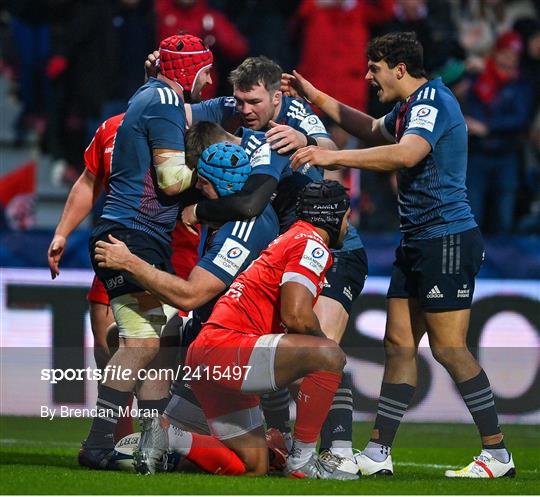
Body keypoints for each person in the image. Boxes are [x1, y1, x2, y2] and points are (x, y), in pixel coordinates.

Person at [287, 31, 515, 479]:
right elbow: (372, 129)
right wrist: (316, 97)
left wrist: (336, 157)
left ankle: (497, 454)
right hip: (417, 240)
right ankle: (377, 452)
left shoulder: (432, 102)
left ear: (399, 68)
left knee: (449, 348)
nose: (368, 77)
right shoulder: (412, 107)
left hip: (445, 239)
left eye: (374, 68)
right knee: (399, 345)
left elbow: (407, 154)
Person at [177, 56, 368, 471]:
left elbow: (334, 152)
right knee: (280, 346)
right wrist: (156, 80)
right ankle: (282, 446)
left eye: (253, 102)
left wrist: (306, 143)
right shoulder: (235, 110)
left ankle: (338, 451)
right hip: (287, 248)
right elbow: (181, 109)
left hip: (331, 247)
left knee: (320, 348)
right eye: (240, 101)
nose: (244, 110)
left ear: (277, 97)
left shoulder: (294, 116)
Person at [132, 180, 358, 480]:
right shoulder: (312, 245)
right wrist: (319, 353)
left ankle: (169, 436)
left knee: (252, 467)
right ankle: (302, 460)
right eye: (346, 216)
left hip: (211, 350)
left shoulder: (292, 238)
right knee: (330, 355)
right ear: (333, 215)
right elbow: (296, 316)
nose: (348, 224)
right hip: (228, 349)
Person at [78, 33, 213, 470]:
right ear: (190, 71)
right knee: (140, 342)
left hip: (132, 233)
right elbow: (172, 179)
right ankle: (98, 445)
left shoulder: (149, 94)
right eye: (206, 72)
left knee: (158, 341)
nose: (208, 82)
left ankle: (152, 443)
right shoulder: (167, 102)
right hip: (131, 236)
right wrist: (218, 171)